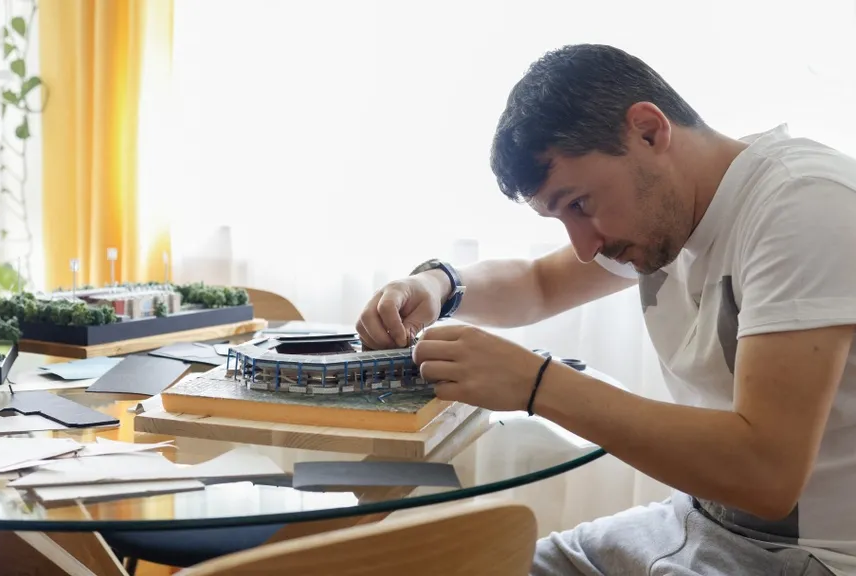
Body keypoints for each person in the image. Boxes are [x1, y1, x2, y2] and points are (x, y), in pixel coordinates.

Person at [356, 44, 856, 575]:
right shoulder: (670, 210)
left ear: (647, 130)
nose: (583, 246)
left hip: (813, 557)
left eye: (579, 205)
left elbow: (767, 475)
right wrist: (440, 283)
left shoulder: (802, 206)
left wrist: (536, 385)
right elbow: (539, 284)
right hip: (690, 526)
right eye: (561, 218)